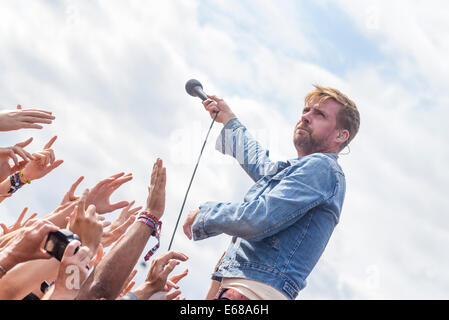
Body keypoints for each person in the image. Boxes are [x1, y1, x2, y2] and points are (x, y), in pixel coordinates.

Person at [183, 85, 360, 300]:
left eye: (319, 114)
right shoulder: (311, 170)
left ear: (341, 135)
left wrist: (205, 214)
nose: (305, 117)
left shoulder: (322, 167)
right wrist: (229, 120)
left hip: (252, 292)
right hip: (247, 288)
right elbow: (265, 168)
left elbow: (258, 218)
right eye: (306, 110)